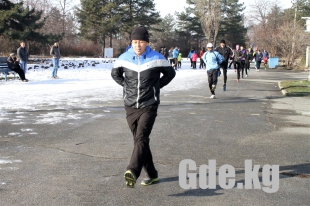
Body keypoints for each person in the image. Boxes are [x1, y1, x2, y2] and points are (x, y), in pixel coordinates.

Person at [111, 26, 176, 188]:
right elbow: (115, 74)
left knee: (141, 138)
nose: (137, 45)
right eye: (134, 42)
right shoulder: (124, 58)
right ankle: (152, 174)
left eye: (141, 42)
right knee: (141, 141)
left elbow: (170, 74)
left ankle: (132, 170)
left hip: (149, 105)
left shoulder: (157, 58)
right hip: (130, 106)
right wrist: (126, 87)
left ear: (147, 42)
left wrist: (156, 86)